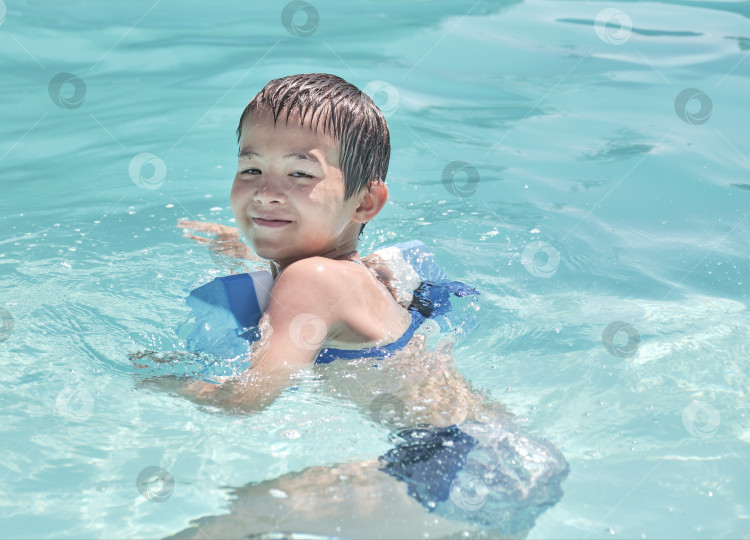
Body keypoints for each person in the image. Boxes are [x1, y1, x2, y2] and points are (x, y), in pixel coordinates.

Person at [139, 73, 568, 538]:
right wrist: (241, 249)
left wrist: (161, 378)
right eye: (251, 170)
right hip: (498, 453)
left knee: (251, 512)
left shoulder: (310, 280)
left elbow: (247, 398)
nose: (267, 192)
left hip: (459, 467)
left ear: (365, 202)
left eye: (300, 174)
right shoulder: (354, 273)